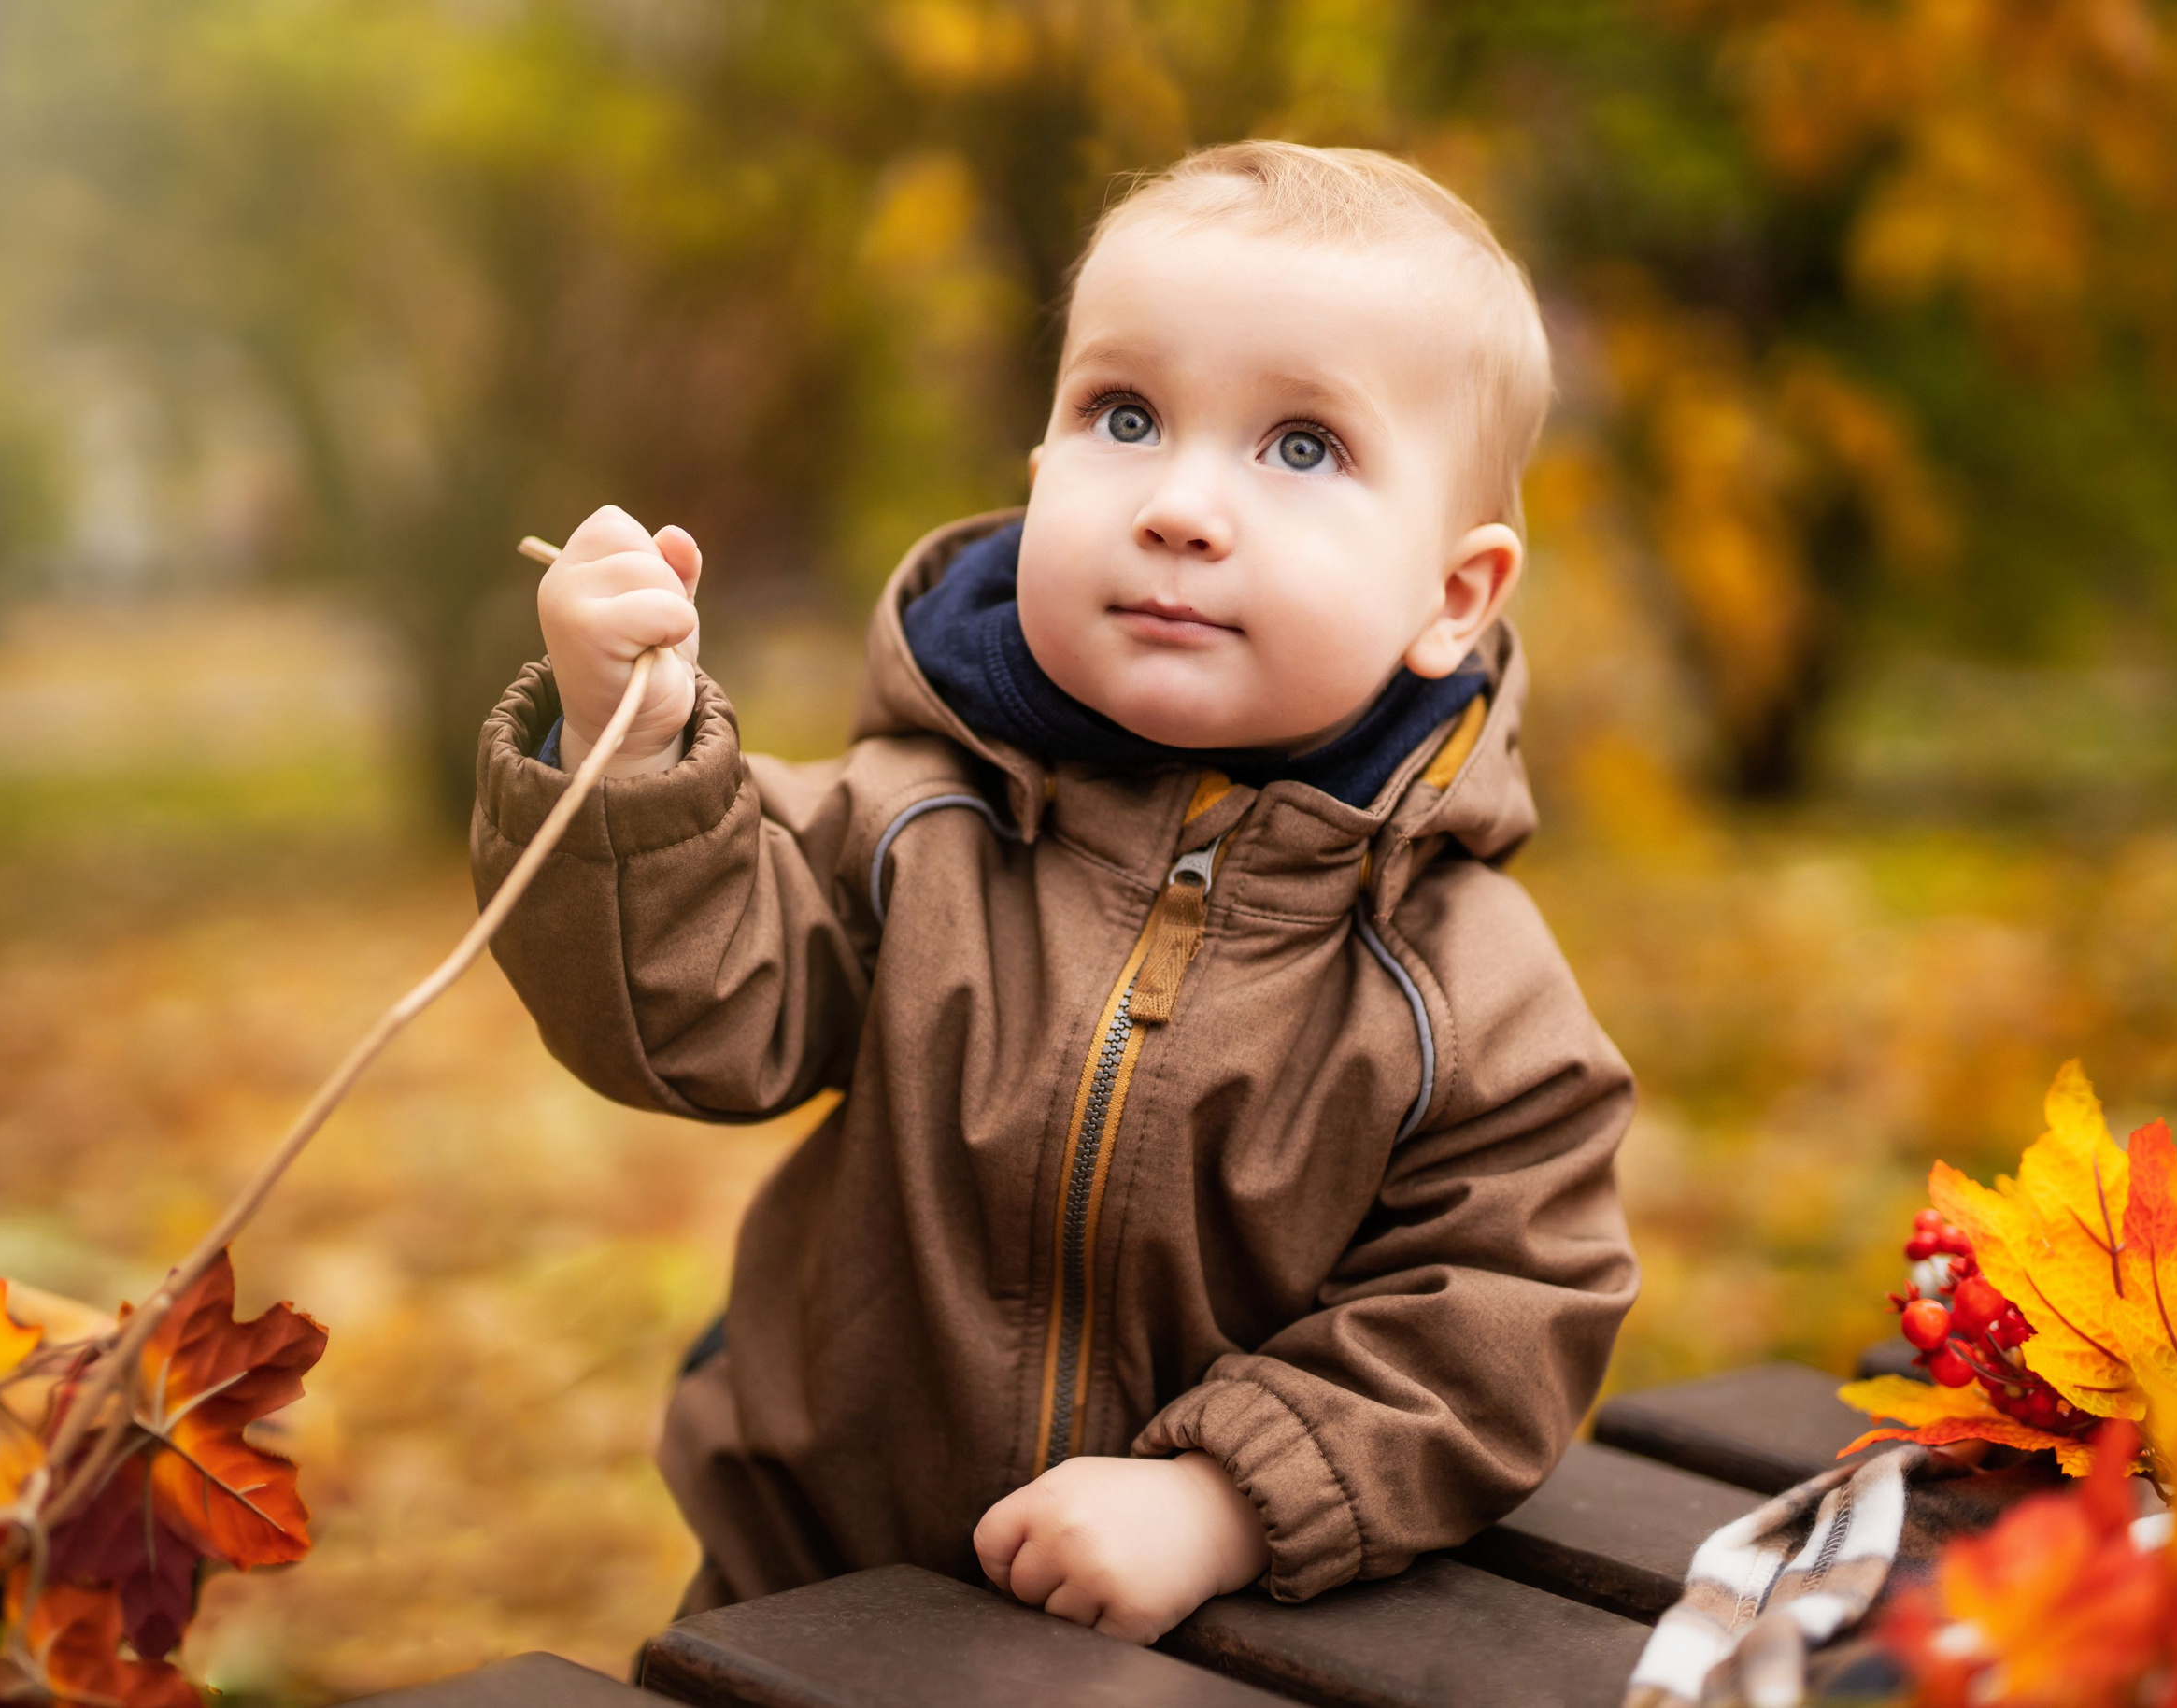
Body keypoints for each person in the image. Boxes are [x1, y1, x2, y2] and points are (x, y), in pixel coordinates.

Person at [472, 140, 1638, 1644]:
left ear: (1453, 595)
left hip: (1224, 1644)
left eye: (1301, 448)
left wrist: (1226, 1496)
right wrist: (617, 748)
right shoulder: (915, 824)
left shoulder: (1458, 985)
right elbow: (688, 1015)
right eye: (1125, 417)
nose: (1180, 505)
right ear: (1039, 485)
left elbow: (1506, 1312)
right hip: (812, 1593)